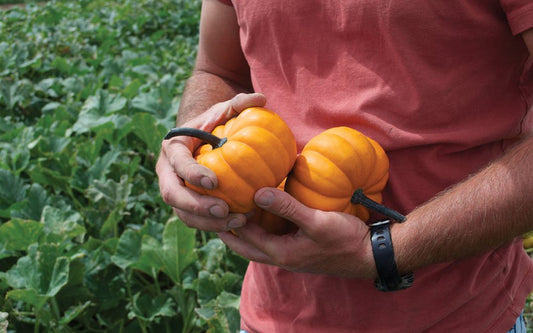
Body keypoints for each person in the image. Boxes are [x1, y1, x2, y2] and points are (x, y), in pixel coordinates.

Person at [156, 0, 533, 331]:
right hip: (271, 314)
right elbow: (218, 70)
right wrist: (190, 140)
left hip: (460, 317)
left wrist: (386, 250)